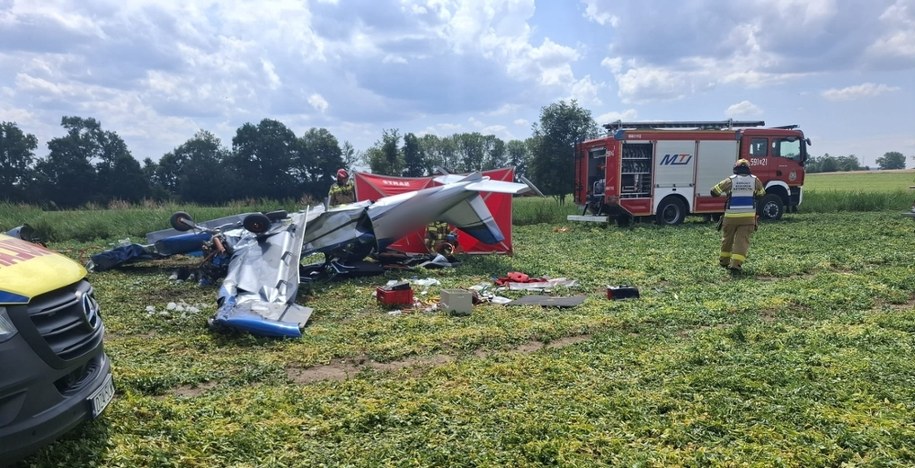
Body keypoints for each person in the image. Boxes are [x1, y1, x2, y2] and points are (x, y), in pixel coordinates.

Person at [710, 159, 766, 272]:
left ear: (736, 168)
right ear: (748, 169)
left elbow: (714, 191)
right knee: (742, 241)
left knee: (727, 239)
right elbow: (762, 194)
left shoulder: (730, 180)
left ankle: (724, 261)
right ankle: (736, 265)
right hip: (748, 218)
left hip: (731, 217)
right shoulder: (755, 180)